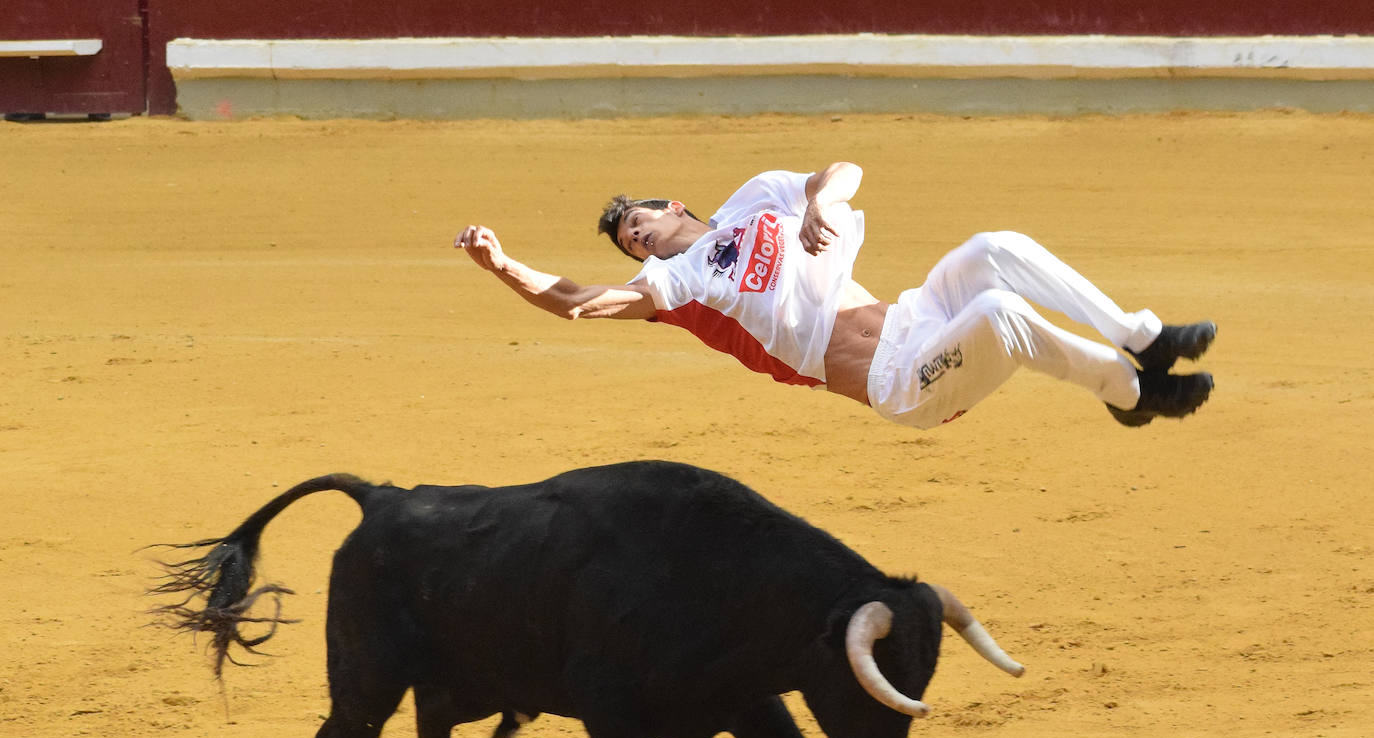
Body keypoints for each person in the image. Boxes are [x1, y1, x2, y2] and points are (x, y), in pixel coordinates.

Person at [456, 162, 1214, 428]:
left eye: (638, 220)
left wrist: (817, 204)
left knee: (996, 249)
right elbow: (580, 300)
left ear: (677, 207)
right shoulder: (682, 284)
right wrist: (504, 268)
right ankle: (1127, 390)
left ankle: (1141, 337)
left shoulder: (755, 200)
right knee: (1000, 314)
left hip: (914, 316)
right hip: (901, 383)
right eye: (627, 240)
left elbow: (841, 170)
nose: (636, 237)